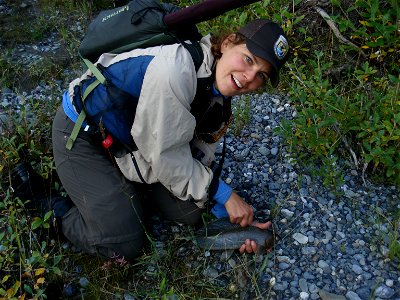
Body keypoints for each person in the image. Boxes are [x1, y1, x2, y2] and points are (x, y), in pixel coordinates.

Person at [51, 19, 290, 261]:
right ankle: (51, 207)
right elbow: (167, 156)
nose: (249, 77)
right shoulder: (175, 70)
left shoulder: (218, 94)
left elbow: (195, 153)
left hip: (135, 145)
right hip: (85, 135)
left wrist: (228, 219)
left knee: (190, 212)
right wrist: (224, 193)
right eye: (248, 59)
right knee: (123, 243)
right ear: (228, 43)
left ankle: (124, 191)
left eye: (261, 74)